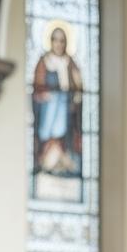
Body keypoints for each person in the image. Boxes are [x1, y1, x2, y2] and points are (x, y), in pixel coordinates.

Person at [32, 24, 83, 178]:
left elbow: (78, 84)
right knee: (49, 132)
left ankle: (63, 158)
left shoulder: (70, 62)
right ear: (51, 41)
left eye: (62, 41)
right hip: (49, 107)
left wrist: (76, 95)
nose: (59, 44)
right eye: (56, 41)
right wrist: (46, 94)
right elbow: (37, 86)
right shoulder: (44, 61)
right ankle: (45, 161)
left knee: (62, 132)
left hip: (65, 107)